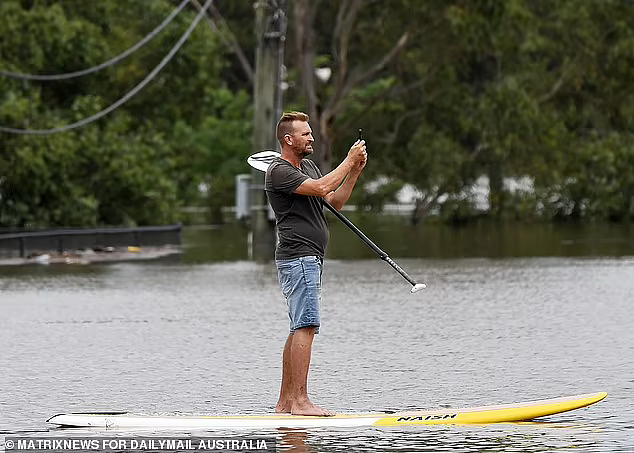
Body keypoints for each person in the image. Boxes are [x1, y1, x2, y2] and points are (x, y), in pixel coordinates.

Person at [265, 111, 367, 416]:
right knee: (306, 326)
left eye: (311, 133)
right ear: (288, 139)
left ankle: (286, 403)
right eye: (305, 134)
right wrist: (347, 161)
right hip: (298, 256)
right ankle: (299, 402)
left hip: (309, 256)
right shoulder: (279, 171)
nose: (311, 138)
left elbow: (332, 201)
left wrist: (355, 171)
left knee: (299, 326)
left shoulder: (306, 166)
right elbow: (322, 188)